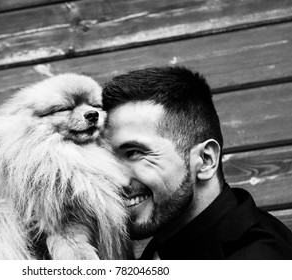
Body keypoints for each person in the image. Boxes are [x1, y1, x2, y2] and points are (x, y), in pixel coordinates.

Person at [102, 65, 292, 259]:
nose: (115, 180)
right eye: (106, 158)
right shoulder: (169, 241)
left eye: (134, 153)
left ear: (205, 160)